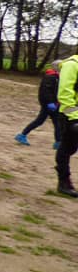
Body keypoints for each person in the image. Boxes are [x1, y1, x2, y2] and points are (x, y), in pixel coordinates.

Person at [15, 60, 62, 149]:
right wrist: (50, 103)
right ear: (58, 67)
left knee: (57, 123)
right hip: (48, 104)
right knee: (40, 121)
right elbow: (45, 92)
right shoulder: (50, 77)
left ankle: (58, 142)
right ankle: (22, 135)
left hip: (54, 104)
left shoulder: (57, 77)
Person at [54, 55, 78, 198]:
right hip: (69, 114)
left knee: (71, 148)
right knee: (67, 148)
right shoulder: (72, 65)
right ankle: (63, 181)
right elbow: (64, 94)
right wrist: (75, 117)